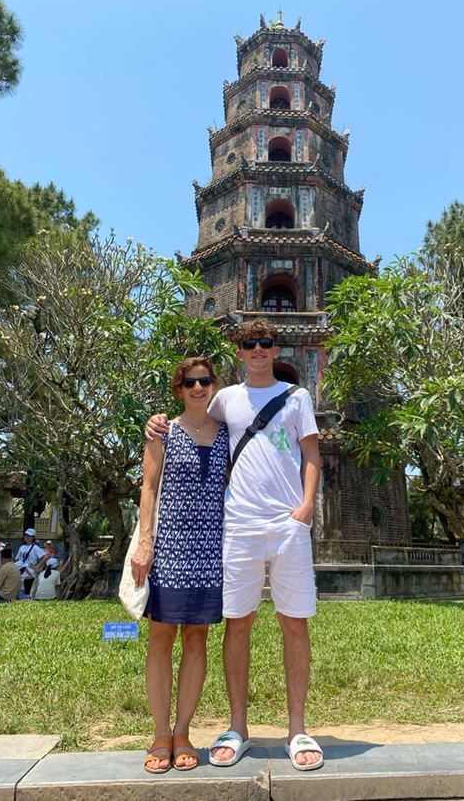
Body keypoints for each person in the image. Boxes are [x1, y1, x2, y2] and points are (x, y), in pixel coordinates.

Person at [146, 319, 323, 771]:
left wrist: (306, 507)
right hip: (238, 525)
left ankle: (298, 728)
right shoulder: (226, 399)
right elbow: (193, 422)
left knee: (294, 623)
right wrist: (157, 422)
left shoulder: (297, 397)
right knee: (236, 623)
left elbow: (311, 455)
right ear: (240, 352)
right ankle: (237, 725)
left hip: (288, 526)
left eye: (265, 342)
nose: (259, 349)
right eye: (250, 343)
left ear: (274, 348)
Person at [133, 357, 228, 774]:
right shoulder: (163, 432)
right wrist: (144, 542)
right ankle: (159, 734)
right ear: (179, 389)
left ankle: (184, 731)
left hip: (209, 550)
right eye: (189, 382)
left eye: (205, 381)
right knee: (160, 638)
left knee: (196, 640)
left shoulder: (227, 433)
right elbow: (148, 489)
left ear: (213, 385)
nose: (198, 388)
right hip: (169, 547)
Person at [15, 528, 45, 596]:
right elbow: (17, 558)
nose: (27, 537)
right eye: (26, 535)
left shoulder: (35, 547)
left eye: (29, 536)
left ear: (33, 537)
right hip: (20, 570)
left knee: (26, 590)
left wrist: (38, 566)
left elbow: (45, 556)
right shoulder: (22, 547)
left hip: (29, 571)